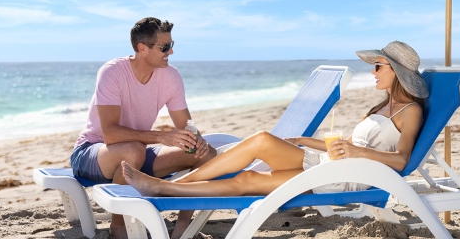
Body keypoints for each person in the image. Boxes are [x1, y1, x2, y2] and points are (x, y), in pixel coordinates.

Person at [121, 40, 428, 198]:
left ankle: (165, 188)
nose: (373, 72)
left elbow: (401, 161)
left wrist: (356, 151)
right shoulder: (381, 108)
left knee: (248, 179)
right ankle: (164, 187)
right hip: (330, 163)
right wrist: (303, 141)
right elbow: (346, 146)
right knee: (262, 139)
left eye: (379, 66)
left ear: (396, 72)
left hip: (347, 177)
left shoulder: (409, 111)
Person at [70, 17, 217, 239]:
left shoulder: (171, 76)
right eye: (164, 47)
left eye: (172, 45)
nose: (171, 52)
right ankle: (118, 226)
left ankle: (183, 228)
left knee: (204, 153)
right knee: (133, 151)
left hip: (136, 152)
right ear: (142, 48)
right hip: (93, 151)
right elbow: (110, 134)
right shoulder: (112, 72)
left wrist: (195, 140)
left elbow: (185, 125)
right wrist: (161, 137)